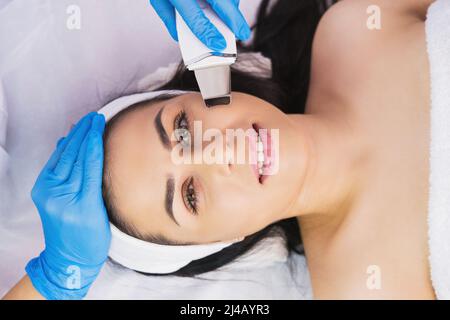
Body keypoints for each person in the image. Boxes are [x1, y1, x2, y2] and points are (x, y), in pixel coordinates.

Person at [4, 0, 438, 300]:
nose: (216, 153)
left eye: (183, 129)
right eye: (190, 195)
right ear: (225, 243)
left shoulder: (353, 33)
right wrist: (53, 283)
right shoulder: (361, 287)